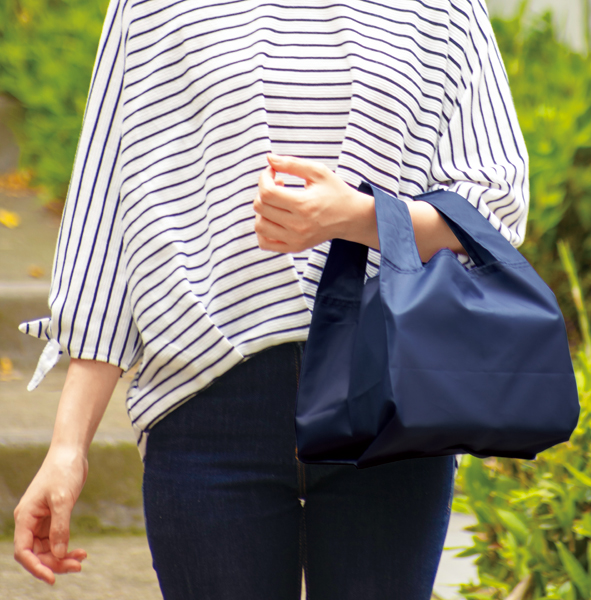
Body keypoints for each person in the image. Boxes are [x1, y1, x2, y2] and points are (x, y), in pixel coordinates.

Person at [13, 0, 528, 598]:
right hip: (204, 401)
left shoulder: (444, 10)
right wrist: (68, 447)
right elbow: (108, 215)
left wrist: (357, 217)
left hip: (393, 397)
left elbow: (495, 205)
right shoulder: (149, 10)